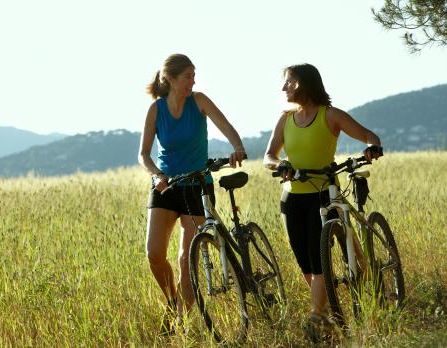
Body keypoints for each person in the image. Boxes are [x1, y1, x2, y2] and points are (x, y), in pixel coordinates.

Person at [263, 63, 382, 339]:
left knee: (319, 262)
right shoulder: (285, 119)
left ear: (305, 83)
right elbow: (269, 155)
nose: (284, 88)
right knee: (306, 264)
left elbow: (368, 135)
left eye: (289, 82)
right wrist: (280, 163)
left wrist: (371, 146)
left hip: (325, 195)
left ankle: (316, 318)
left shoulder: (330, 116)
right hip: (292, 199)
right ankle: (325, 315)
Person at [138, 53, 246, 335]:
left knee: (187, 258)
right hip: (166, 186)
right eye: (188, 76)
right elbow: (143, 154)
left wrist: (237, 146)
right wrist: (155, 175)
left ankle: (182, 324)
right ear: (171, 79)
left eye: (193, 75)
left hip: (198, 185)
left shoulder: (199, 100)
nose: (193, 81)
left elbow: (226, 127)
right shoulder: (156, 110)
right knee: (154, 254)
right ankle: (172, 301)